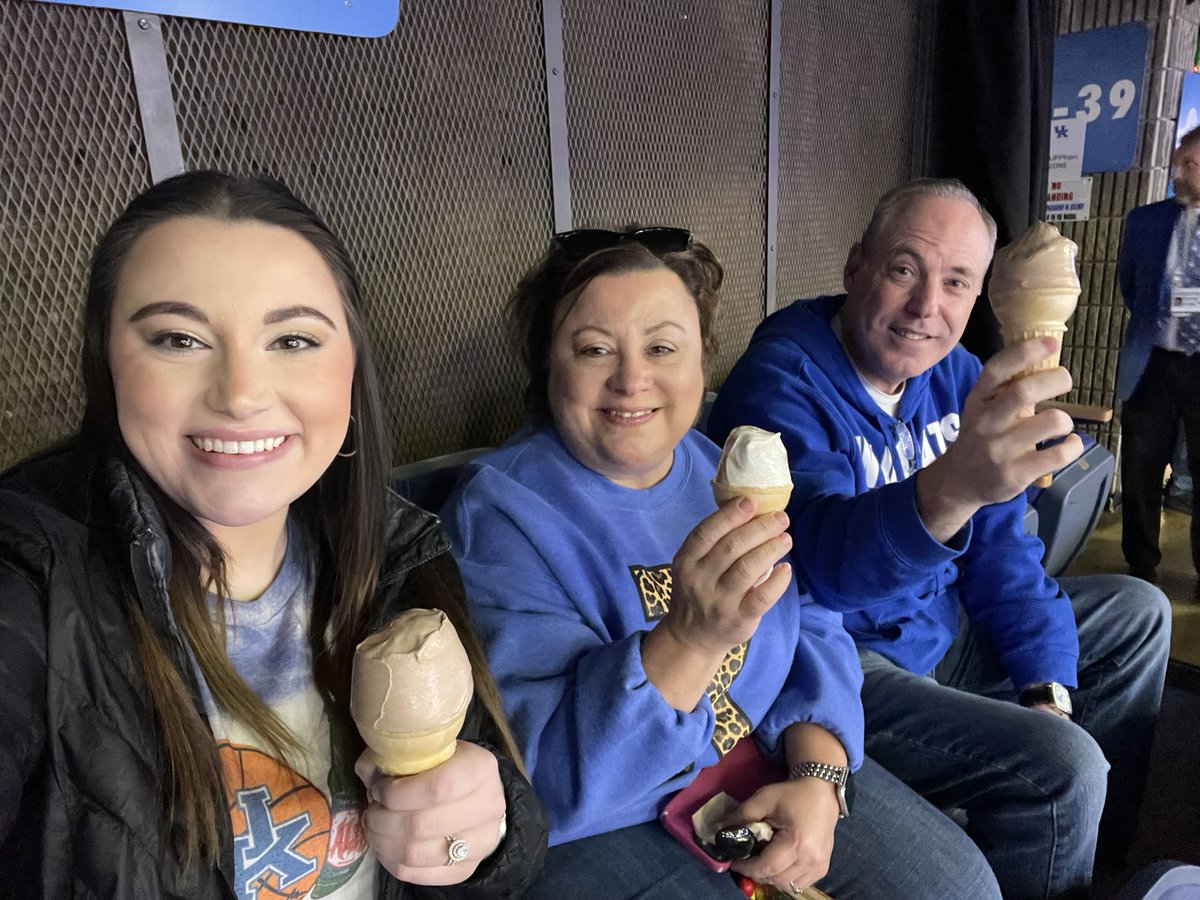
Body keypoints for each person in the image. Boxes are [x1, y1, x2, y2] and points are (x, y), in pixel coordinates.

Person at [0, 171, 546, 899]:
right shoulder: (30, 573)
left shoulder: (395, 560)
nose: (241, 395)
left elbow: (487, 828)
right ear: (105, 362)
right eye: (178, 338)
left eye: (292, 339)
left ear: (351, 369)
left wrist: (487, 835)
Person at [441, 227, 1005, 900]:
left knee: (960, 886)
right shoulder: (502, 515)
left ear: (701, 361)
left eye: (662, 347)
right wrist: (688, 640)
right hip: (610, 820)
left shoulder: (720, 469)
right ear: (548, 366)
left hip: (759, 762)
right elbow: (548, 781)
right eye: (594, 349)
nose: (632, 379)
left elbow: (810, 615)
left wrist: (819, 777)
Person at [708, 178, 1171, 899]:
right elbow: (815, 566)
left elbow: (1001, 550)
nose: (928, 307)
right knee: (1063, 767)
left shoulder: (957, 378)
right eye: (904, 270)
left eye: (956, 282)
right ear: (855, 267)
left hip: (945, 630)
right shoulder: (781, 382)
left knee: (1139, 615)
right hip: (849, 660)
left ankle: (1083, 857)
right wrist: (953, 484)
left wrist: (1045, 686)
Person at [1117, 125, 1200, 586]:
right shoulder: (1143, 221)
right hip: (1154, 361)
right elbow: (1131, 287)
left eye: (1189, 165)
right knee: (1141, 466)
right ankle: (1139, 562)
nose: (1177, 174)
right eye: (1176, 163)